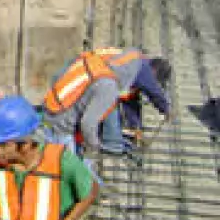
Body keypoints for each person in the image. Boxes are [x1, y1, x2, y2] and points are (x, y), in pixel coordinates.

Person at [41, 47, 171, 156]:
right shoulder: (137, 72)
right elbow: (155, 92)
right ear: (154, 73)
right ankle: (111, 143)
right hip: (61, 124)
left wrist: (135, 126)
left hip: (62, 93)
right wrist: (166, 109)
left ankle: (109, 140)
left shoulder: (130, 61)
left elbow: (131, 99)